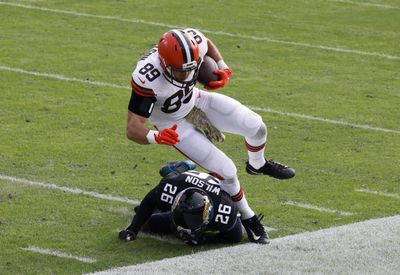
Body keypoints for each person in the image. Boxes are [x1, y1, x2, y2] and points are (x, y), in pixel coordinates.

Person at [126, 27, 295, 243]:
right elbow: (132, 128)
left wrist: (223, 67)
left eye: (191, 68)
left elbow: (205, 41)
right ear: (165, 64)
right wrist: (155, 137)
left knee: (256, 126)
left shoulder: (193, 43)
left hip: (195, 100)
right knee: (227, 171)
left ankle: (258, 164)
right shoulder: (148, 77)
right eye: (179, 71)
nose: (186, 75)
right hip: (172, 122)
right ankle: (249, 218)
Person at [119, 161, 268, 245]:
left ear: (208, 213)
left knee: (153, 218)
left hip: (215, 189)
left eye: (193, 219)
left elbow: (234, 236)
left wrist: (204, 239)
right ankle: (182, 166)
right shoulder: (171, 187)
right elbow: (149, 200)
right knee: (148, 220)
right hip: (184, 180)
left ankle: (180, 169)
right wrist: (133, 229)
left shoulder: (225, 210)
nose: (186, 223)